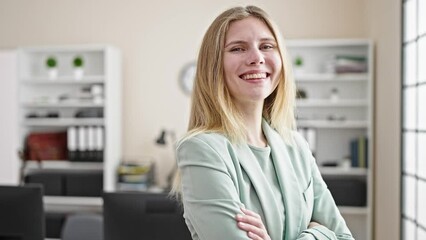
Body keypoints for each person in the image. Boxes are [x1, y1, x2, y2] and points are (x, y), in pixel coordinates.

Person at [172, 5, 354, 240]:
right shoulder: (201, 149)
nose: (257, 58)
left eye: (267, 46)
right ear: (214, 66)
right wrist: (319, 232)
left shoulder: (295, 146)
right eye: (238, 48)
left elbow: (345, 237)